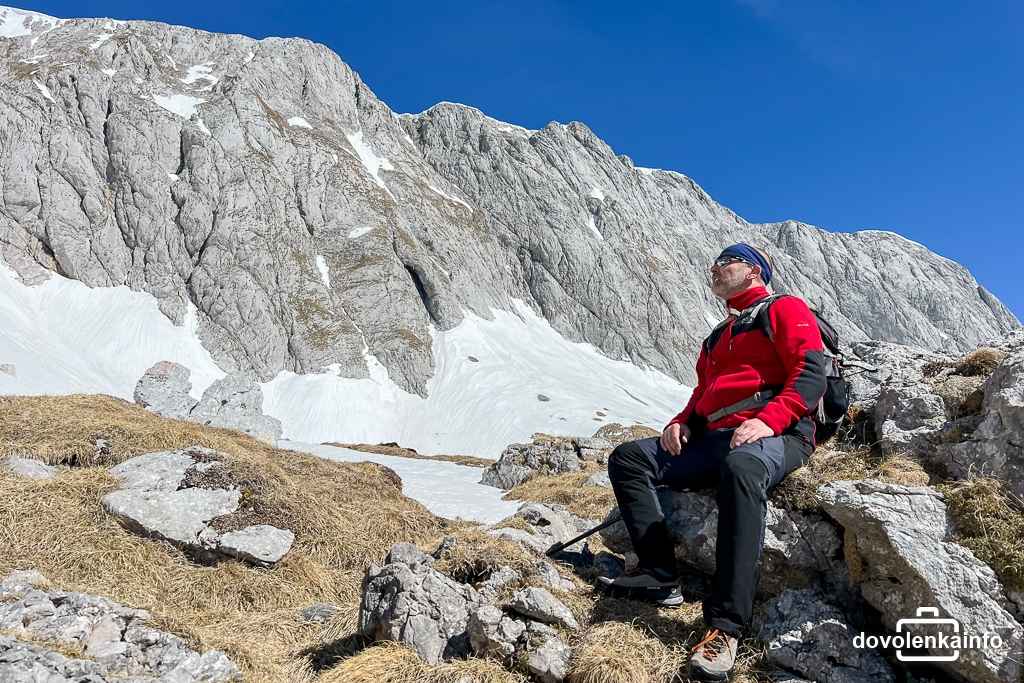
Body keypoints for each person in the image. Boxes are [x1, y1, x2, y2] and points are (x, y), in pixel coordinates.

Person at [600, 243, 827, 681]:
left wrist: (769, 420)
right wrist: (681, 422)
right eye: (715, 264)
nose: (715, 268)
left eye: (727, 261)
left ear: (756, 270)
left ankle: (725, 627)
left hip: (779, 433)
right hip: (714, 437)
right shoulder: (716, 337)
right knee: (630, 458)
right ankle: (659, 575)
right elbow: (703, 396)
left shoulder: (784, 308)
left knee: (742, 467)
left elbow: (810, 373)